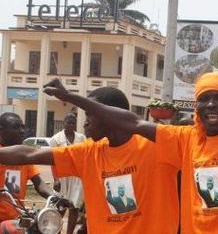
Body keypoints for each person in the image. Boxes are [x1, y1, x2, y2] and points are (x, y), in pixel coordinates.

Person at [41, 0, 218, 233]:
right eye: (203, 99)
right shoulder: (186, 140)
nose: (210, 105)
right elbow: (132, 121)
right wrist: (72, 98)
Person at [0, 88, 180, 233]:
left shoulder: (158, 146)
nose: (85, 123)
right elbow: (29, 154)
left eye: (89, 115)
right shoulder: (88, 152)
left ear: (111, 114)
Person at [0, 113, 53, 223]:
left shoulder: (23, 156)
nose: (22, 131)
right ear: (1, 130)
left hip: (16, 218)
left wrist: (54, 196)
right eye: (16, 127)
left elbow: (38, 183)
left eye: (23, 127)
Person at [50, 112, 86, 234]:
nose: (70, 125)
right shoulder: (56, 139)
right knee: (60, 207)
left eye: (73, 123)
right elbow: (52, 161)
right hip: (62, 176)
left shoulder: (81, 138)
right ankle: (57, 231)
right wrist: (56, 179)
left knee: (74, 206)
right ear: (64, 123)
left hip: (77, 177)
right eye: (68, 122)